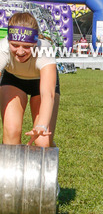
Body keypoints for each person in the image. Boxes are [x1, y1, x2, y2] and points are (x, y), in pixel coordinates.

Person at [0, 11, 59, 146]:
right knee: (11, 132)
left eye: (27, 47)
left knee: (42, 140)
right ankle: (10, 167)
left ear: (35, 42)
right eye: (15, 45)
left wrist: (42, 126)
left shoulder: (44, 49)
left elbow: (48, 95)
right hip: (13, 80)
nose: (20, 52)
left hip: (41, 83)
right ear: (8, 40)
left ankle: (49, 146)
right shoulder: (1, 49)